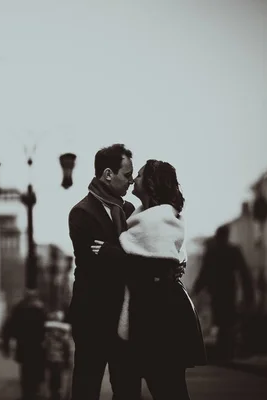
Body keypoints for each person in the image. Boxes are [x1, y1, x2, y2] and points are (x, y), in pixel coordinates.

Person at [67, 144, 185, 400]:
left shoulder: (131, 211)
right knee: (86, 388)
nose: (132, 180)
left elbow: (152, 248)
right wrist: (149, 264)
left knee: (127, 390)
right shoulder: (81, 213)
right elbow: (97, 266)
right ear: (108, 174)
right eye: (127, 174)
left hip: (128, 318)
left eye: (134, 175)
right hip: (94, 316)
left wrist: (169, 264)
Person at [91, 159, 207, 400]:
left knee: (168, 389)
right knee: (153, 388)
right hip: (150, 315)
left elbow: (153, 262)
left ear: (152, 183)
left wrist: (110, 252)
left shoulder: (159, 219)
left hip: (162, 318)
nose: (134, 179)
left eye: (141, 175)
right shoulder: (145, 216)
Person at [193, 224, 254, 361]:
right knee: (227, 320)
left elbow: (204, 272)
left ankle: (224, 351)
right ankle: (227, 351)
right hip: (228, 289)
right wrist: (248, 292)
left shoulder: (213, 252)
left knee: (222, 320)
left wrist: (197, 289)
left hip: (218, 290)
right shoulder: (233, 251)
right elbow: (244, 273)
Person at [2, 289, 47, 400]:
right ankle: (34, 390)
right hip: (37, 345)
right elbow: (45, 327)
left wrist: (6, 345)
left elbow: (9, 327)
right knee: (35, 368)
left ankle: (27, 392)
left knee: (26, 369)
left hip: (23, 344)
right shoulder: (40, 309)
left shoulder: (18, 308)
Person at [43, 310, 72, 400]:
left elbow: (45, 347)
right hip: (57, 360)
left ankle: (55, 393)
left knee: (55, 377)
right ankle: (56, 393)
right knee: (56, 377)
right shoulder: (63, 335)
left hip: (54, 359)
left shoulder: (49, 335)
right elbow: (66, 348)